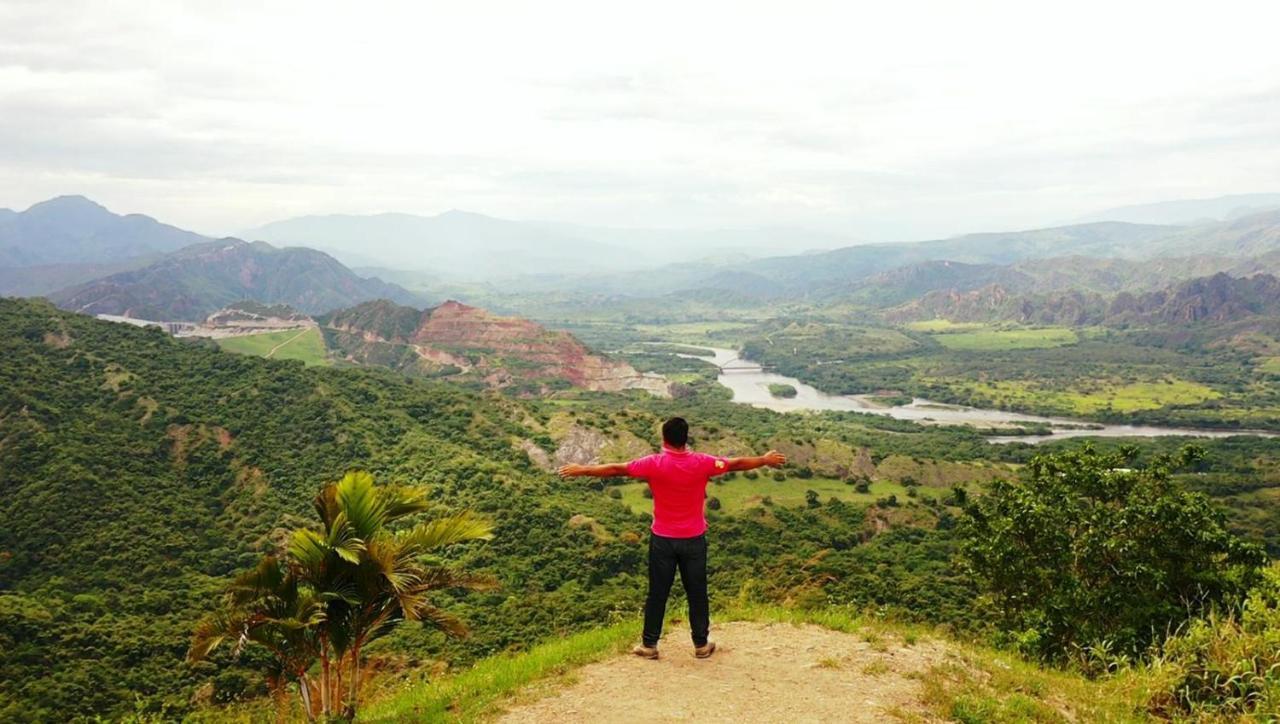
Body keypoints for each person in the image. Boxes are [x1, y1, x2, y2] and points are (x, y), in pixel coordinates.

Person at [558, 417, 787, 659]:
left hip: (662, 540)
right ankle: (701, 645)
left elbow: (617, 469)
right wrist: (764, 459)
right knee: (697, 592)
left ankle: (649, 645)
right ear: (686, 438)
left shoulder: (653, 463)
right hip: (694, 539)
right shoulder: (703, 463)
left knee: (658, 592)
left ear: (664, 439)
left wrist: (581, 470)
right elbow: (735, 463)